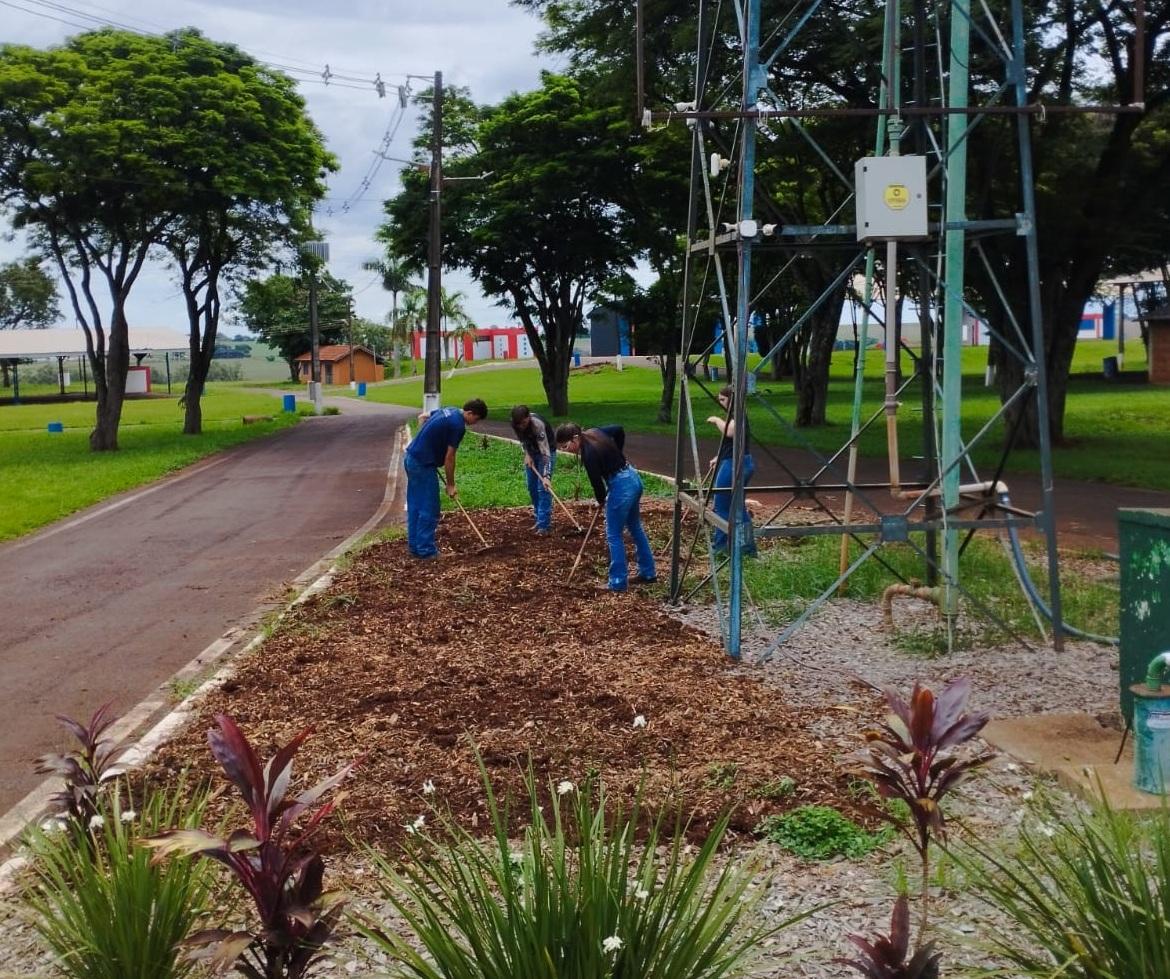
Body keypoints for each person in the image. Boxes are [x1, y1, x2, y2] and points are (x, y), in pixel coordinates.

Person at [555, 422, 656, 592]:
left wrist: (601, 500)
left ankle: (617, 582)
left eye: (566, 446)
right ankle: (648, 573)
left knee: (613, 534)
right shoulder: (595, 432)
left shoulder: (588, 455)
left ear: (575, 438)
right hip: (632, 476)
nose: (565, 450)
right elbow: (619, 429)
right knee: (635, 527)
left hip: (621, 486)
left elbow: (597, 485)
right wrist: (618, 455)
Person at [404, 398, 488, 559]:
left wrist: (426, 443)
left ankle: (415, 547)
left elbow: (422, 417)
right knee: (429, 507)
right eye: (475, 419)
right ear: (470, 413)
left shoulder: (450, 410)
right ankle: (427, 551)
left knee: (415, 505)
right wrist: (451, 485)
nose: (474, 423)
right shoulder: (458, 426)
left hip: (411, 458)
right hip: (422, 465)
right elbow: (450, 457)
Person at [706, 384, 756, 556]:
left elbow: (730, 432)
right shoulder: (738, 414)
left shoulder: (737, 415)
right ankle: (747, 549)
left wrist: (716, 420)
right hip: (738, 461)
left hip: (735, 464)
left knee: (722, 506)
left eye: (722, 399)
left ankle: (720, 548)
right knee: (738, 508)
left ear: (731, 399)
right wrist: (718, 457)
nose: (720, 403)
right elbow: (732, 443)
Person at [510, 404, 556, 534]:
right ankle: (538, 516)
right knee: (531, 486)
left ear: (528, 417)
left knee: (543, 488)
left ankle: (544, 525)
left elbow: (545, 453)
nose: (521, 426)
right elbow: (523, 439)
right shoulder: (515, 423)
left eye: (523, 423)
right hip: (532, 452)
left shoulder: (537, 426)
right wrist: (527, 454)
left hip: (546, 453)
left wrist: (546, 476)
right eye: (518, 424)